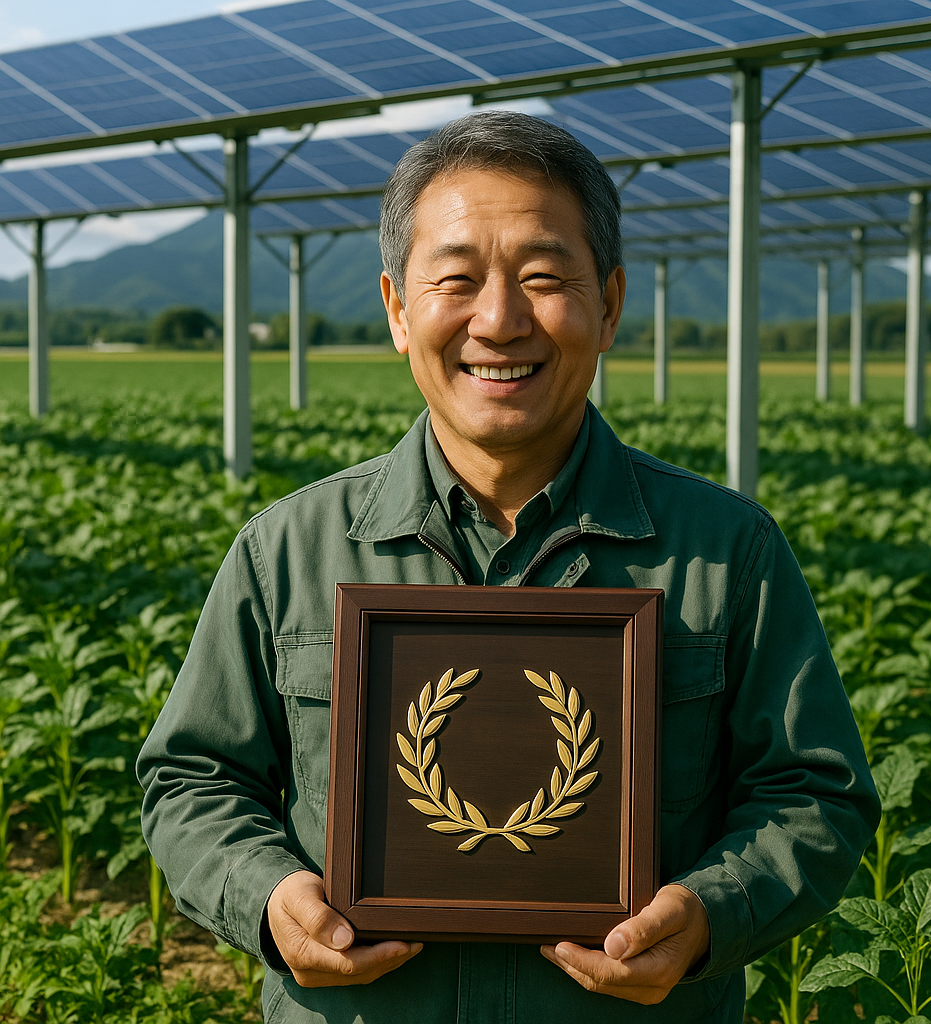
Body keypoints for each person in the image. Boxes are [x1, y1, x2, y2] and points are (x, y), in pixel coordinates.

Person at [138, 110, 879, 1024]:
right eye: (456, 280)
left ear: (608, 304)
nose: (499, 319)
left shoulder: (725, 552)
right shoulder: (289, 548)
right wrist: (264, 896)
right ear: (399, 311)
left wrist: (711, 914)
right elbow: (192, 781)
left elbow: (815, 792)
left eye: (543, 277)